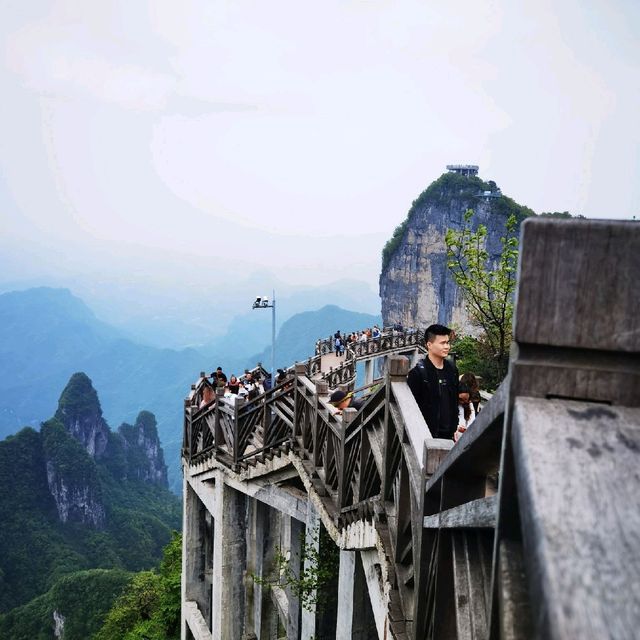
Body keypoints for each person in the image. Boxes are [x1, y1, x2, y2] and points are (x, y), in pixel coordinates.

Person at [407, 324, 459, 439]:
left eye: (448, 342)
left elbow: (454, 401)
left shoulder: (452, 370)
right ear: (429, 345)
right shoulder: (418, 374)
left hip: (449, 436)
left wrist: (455, 427)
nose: (447, 347)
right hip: (426, 436)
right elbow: (411, 409)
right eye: (442, 343)